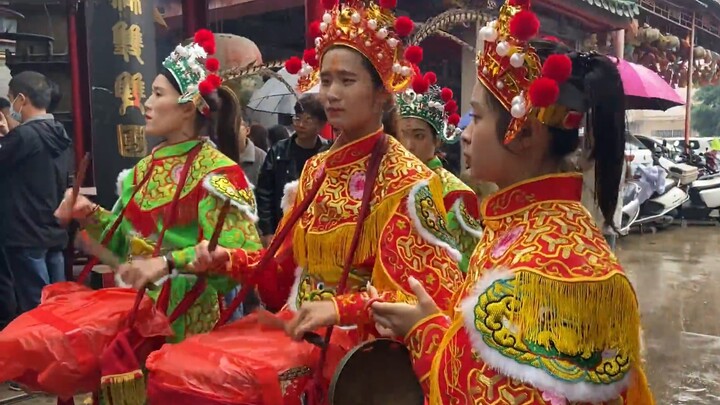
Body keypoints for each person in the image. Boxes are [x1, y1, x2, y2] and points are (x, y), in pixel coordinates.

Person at [127, 1, 464, 401]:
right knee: (182, 368)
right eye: (326, 80)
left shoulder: (408, 181)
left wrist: (341, 309)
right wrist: (228, 259)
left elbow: (422, 299)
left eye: (347, 81)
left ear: (381, 93)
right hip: (300, 328)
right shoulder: (316, 170)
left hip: (357, 352)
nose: (332, 94)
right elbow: (283, 267)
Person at [370, 2, 654, 404]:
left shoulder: (550, 267)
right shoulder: (519, 224)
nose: (465, 134)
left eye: (477, 117)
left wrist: (426, 331)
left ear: (525, 135)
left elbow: (495, 393)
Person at [56, 29, 262, 342]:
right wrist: (90, 214)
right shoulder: (143, 169)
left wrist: (169, 262)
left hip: (192, 322)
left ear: (188, 107)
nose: (146, 103)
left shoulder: (218, 173)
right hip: (139, 316)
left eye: (158, 93)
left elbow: (243, 256)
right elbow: (126, 246)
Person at [0, 71, 71, 315]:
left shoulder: (24, 136)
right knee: (57, 305)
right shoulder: (59, 133)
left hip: (25, 234)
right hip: (52, 232)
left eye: (11, 100)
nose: (12, 108)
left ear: (22, 99)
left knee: (36, 309)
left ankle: (44, 354)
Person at [396, 82, 482, 272]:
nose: (408, 146)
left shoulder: (454, 194)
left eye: (419, 136)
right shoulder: (385, 180)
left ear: (437, 140)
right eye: (402, 135)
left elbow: (466, 265)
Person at [255, 94, 330, 246]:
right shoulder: (278, 151)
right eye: (297, 118)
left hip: (315, 230)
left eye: (308, 120)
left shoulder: (326, 152)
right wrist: (268, 230)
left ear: (321, 124)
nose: (301, 125)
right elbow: (264, 192)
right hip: (281, 227)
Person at [230, 107, 266, 185]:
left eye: (237, 124)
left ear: (247, 130)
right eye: (230, 125)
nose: (233, 129)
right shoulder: (220, 155)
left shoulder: (261, 157)